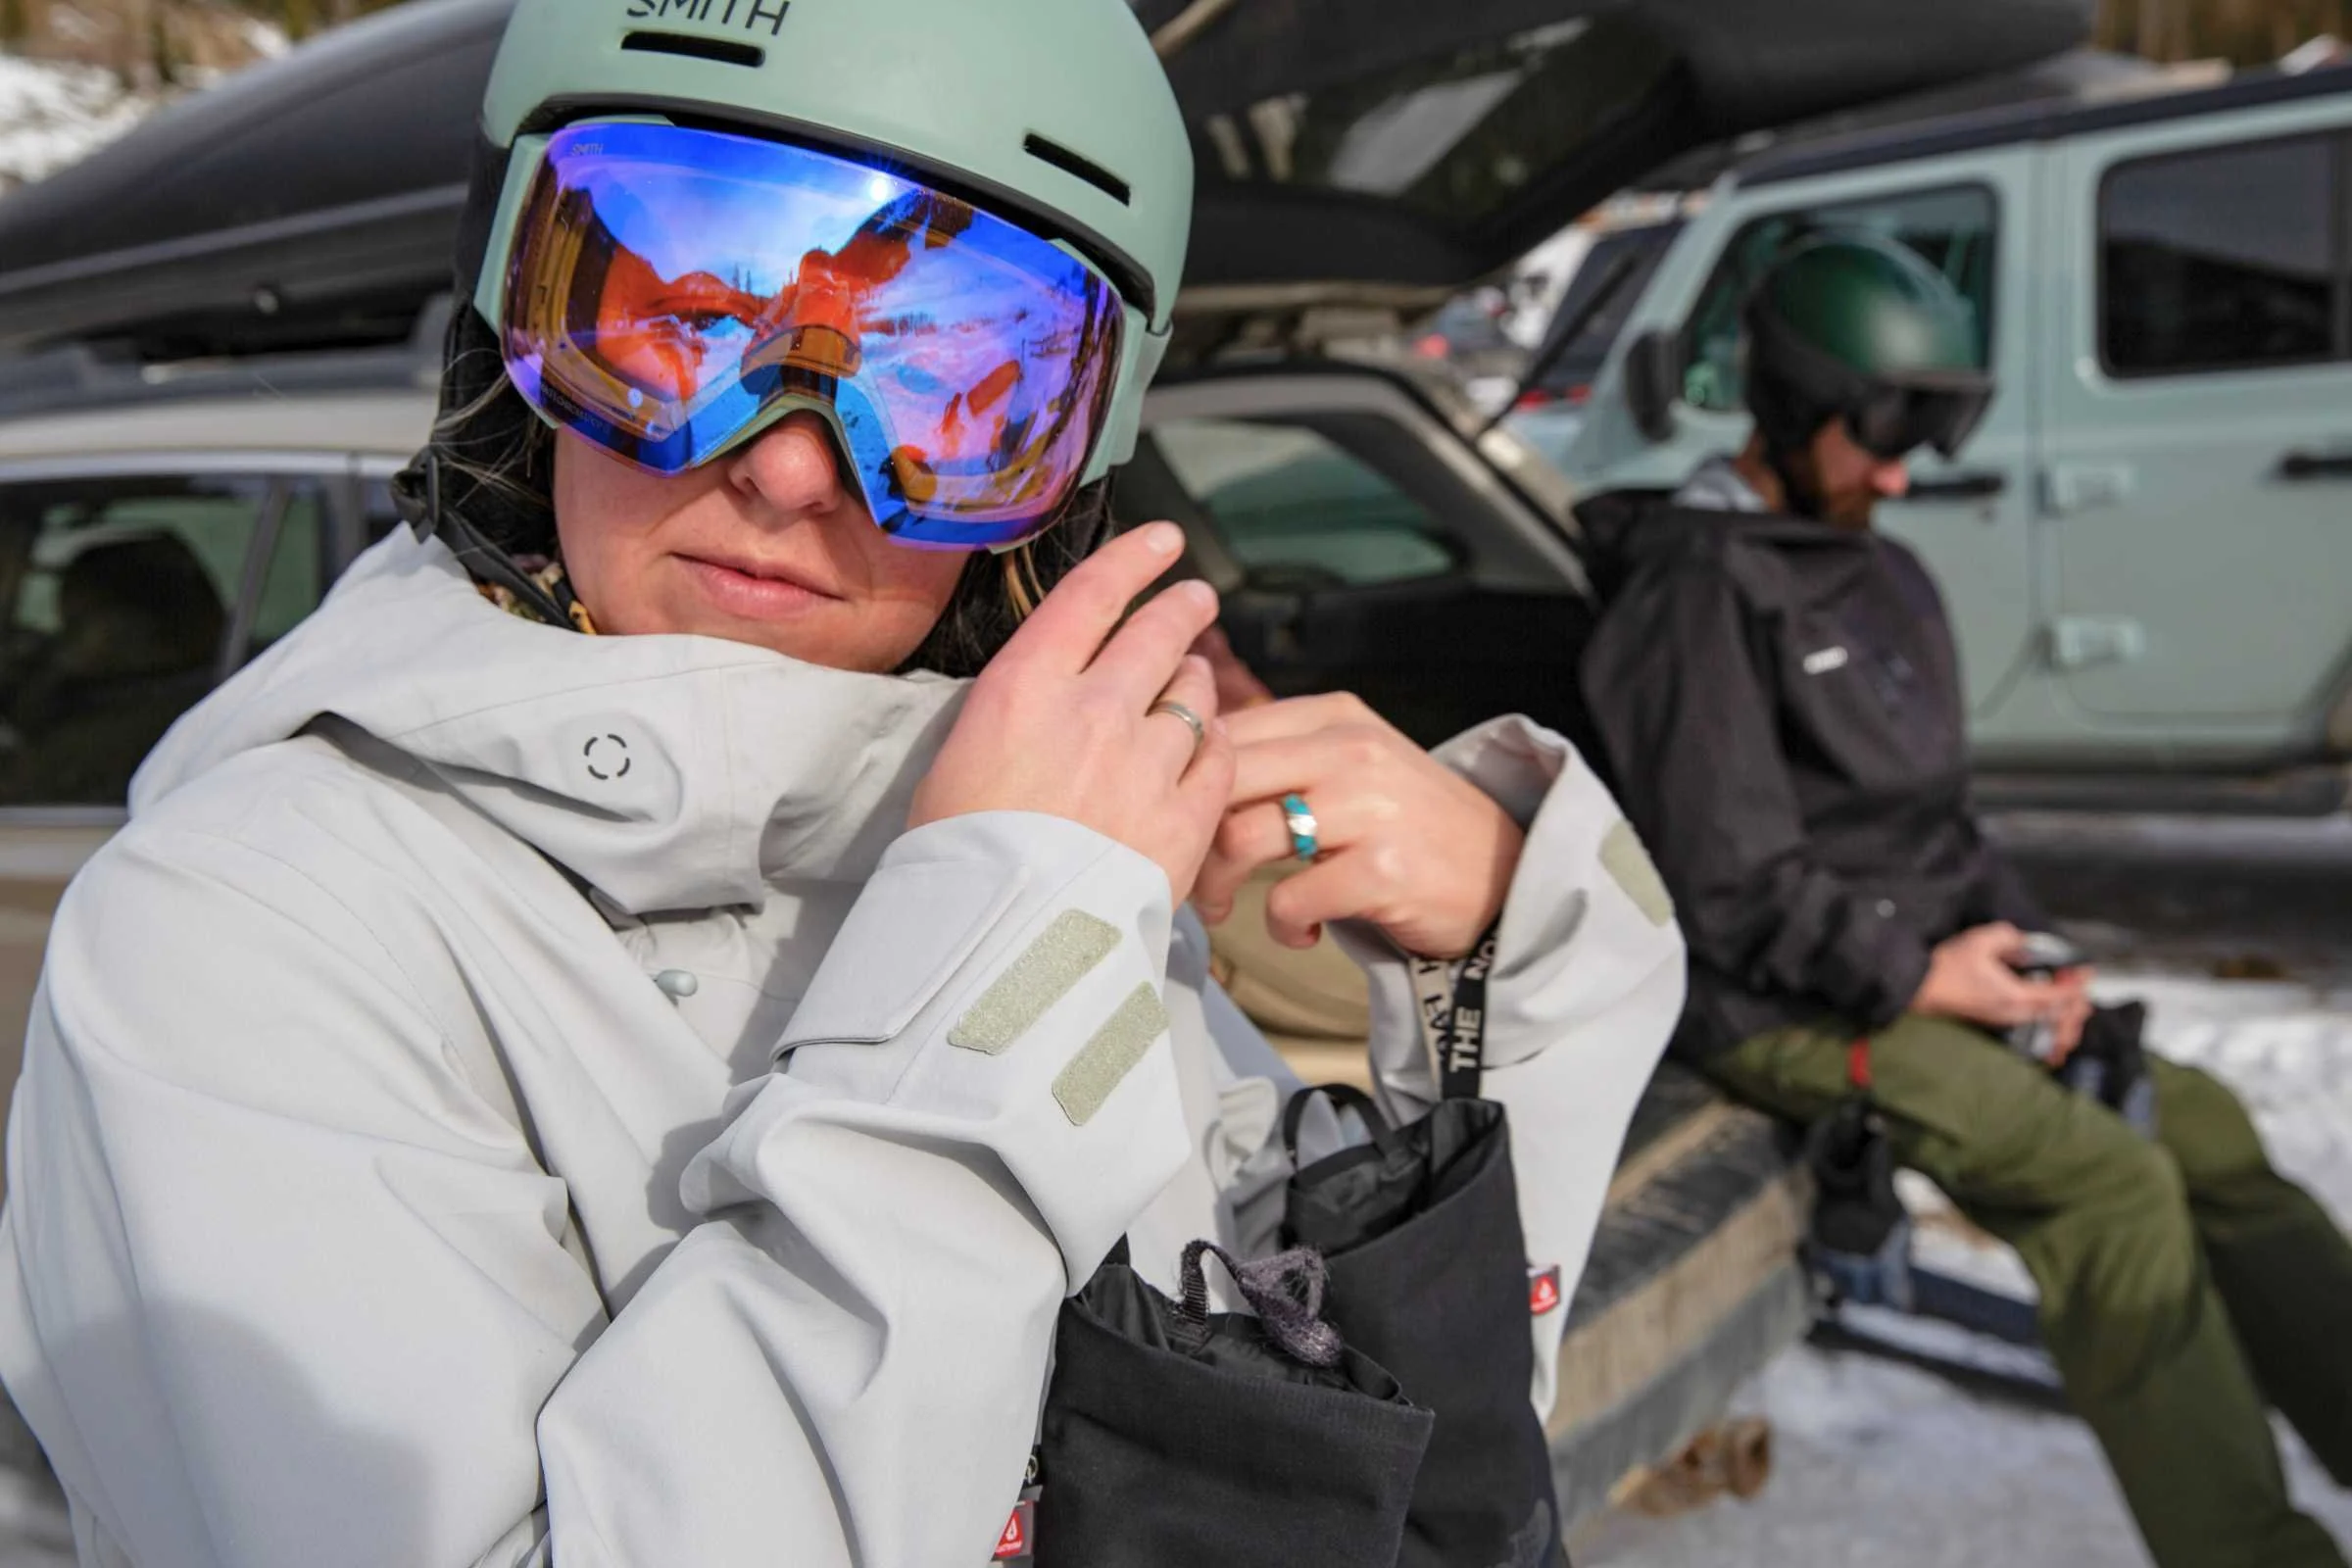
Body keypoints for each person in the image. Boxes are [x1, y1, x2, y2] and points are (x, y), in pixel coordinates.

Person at [0, 2, 1687, 1562]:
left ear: (1064, 477)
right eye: (682, 321)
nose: (799, 464)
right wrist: (988, 1017)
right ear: (515, 339)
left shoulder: (1019, 859)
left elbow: (1340, 1460)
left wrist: (1511, 982)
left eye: (953, 385)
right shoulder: (243, 931)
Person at [1578, 232, 2352, 1568]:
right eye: (1877, 438)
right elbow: (1721, 879)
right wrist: (1918, 975)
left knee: (2202, 1127)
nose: (1899, 474)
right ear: (1790, 410)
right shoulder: (1699, 591)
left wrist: (2027, 960)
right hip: (1770, 1000)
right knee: (2104, 1186)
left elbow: (1938, 821)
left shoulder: (1874, 570)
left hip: (1905, 963)